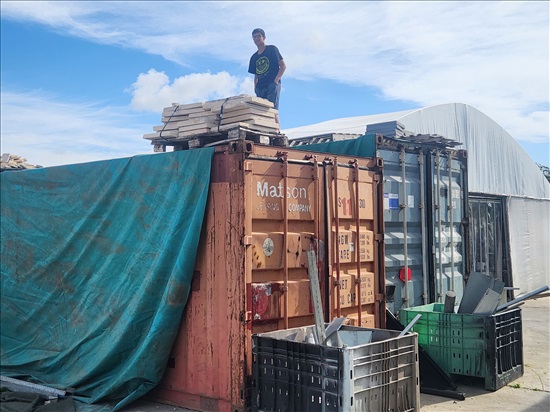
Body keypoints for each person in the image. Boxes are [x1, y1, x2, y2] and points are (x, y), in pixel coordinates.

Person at [248, 28, 286, 125]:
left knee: (272, 110)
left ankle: (278, 133)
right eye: (254, 37)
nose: (256, 39)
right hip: (261, 87)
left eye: (258, 36)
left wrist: (276, 80)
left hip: (272, 84)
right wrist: (255, 87)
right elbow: (255, 75)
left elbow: (282, 65)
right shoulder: (254, 57)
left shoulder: (272, 49)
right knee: (261, 111)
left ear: (264, 37)